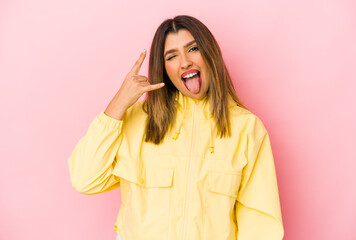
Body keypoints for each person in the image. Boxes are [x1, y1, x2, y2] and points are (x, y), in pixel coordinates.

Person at [68, 15, 284, 240]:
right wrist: (118, 104)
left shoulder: (246, 128)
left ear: (210, 54)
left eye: (193, 49)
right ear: (164, 69)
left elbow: (260, 225)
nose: (185, 62)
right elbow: (85, 178)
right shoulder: (137, 120)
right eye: (172, 56)